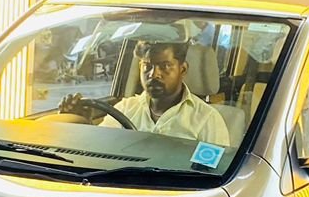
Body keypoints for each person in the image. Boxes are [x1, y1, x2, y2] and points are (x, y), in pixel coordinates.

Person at [60, 41, 229, 145]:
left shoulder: (207, 120)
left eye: (165, 66)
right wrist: (81, 122)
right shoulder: (124, 109)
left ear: (182, 69)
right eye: (147, 66)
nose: (154, 74)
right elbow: (99, 149)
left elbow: (212, 177)